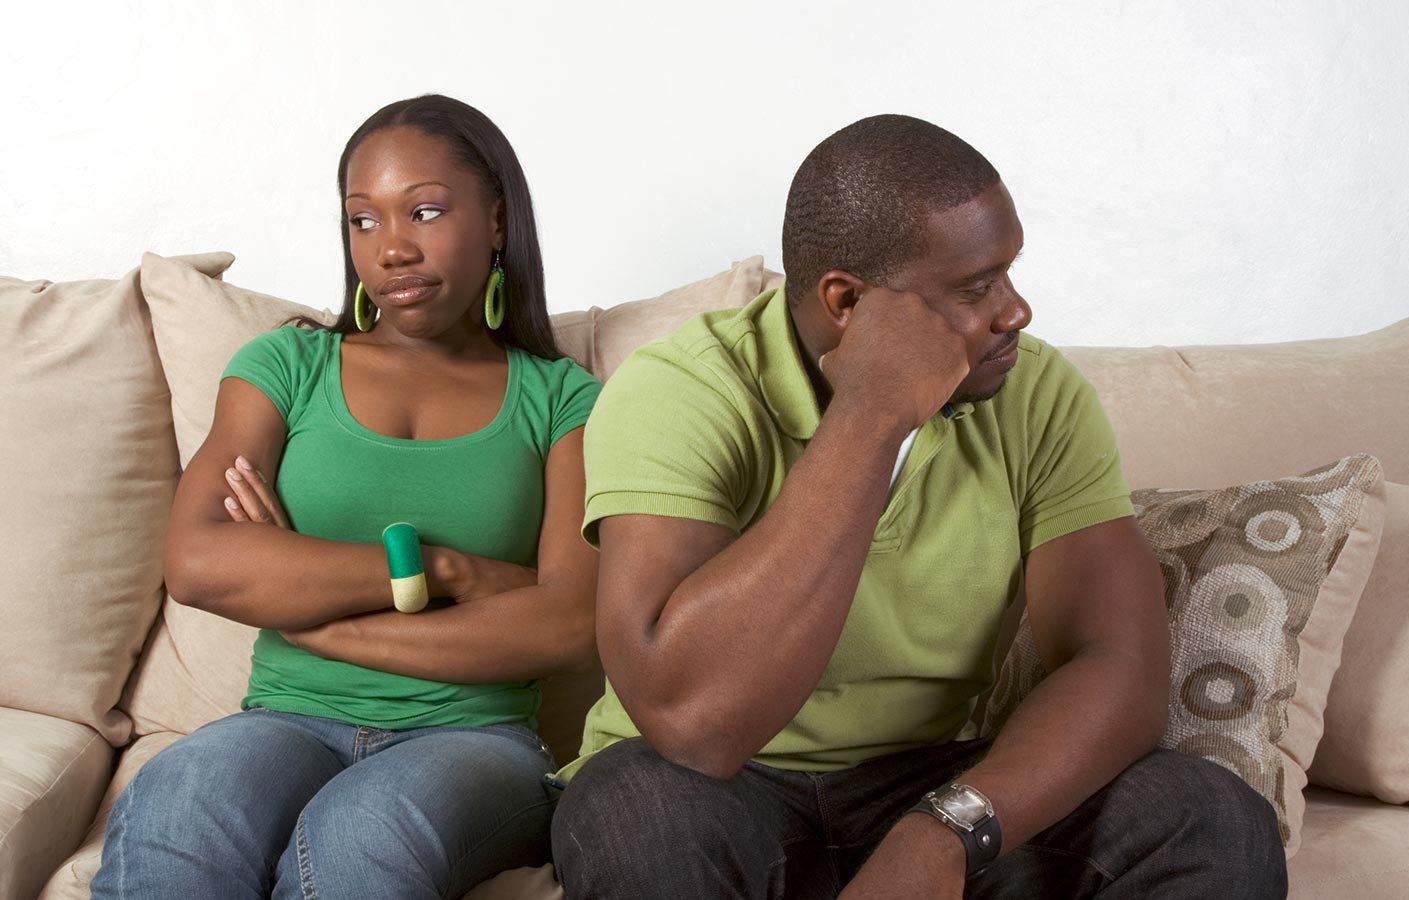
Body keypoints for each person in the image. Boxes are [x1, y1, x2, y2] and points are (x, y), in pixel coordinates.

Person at [550, 114, 1287, 899]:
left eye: (1009, 273)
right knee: (631, 810)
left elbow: (1119, 663)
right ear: (847, 304)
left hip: (927, 784)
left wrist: (943, 834)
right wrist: (871, 415)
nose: (1015, 312)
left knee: (1206, 813)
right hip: (708, 791)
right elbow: (694, 725)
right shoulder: (681, 389)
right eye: (975, 288)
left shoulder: (1037, 393)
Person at [94, 94, 602, 900]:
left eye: (425, 212)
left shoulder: (564, 400)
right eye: (362, 221)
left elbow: (571, 623)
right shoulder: (285, 368)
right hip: (283, 722)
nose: (391, 248)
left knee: (364, 835)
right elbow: (196, 561)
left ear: (498, 222)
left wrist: (306, 608)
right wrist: (443, 569)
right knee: (177, 800)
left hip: (475, 739)